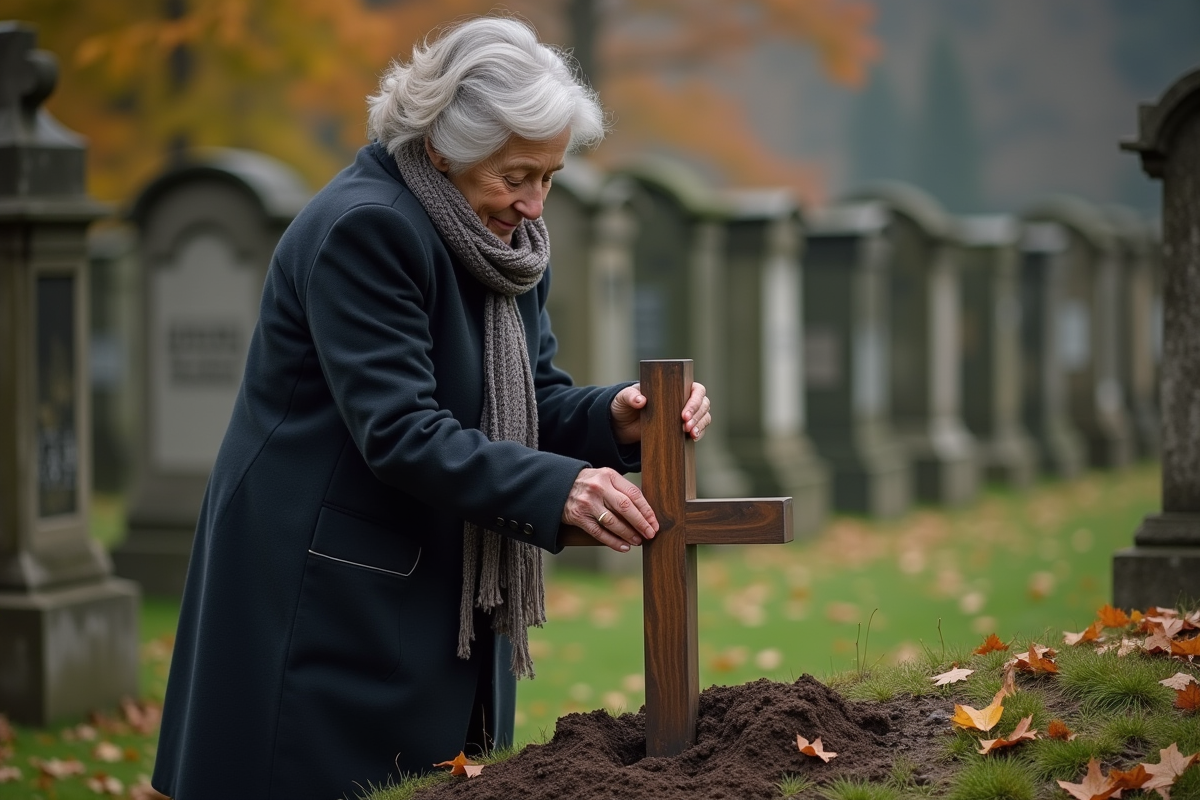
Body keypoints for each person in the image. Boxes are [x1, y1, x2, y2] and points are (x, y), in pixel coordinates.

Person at [151, 16, 711, 800]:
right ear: (445, 144)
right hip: (326, 595)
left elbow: (529, 401)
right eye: (517, 175)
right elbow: (402, 431)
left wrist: (614, 419)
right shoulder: (369, 227)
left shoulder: (504, 248)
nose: (534, 204)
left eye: (548, 176)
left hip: (426, 592)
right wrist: (560, 490)